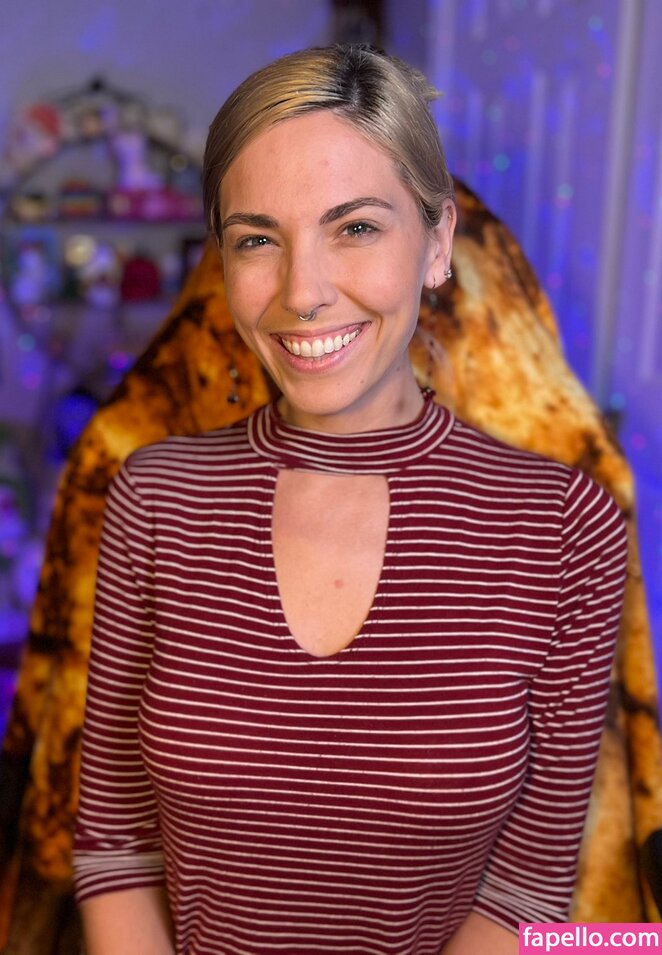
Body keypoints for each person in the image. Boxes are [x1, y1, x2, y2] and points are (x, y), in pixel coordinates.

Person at [73, 45, 628, 954]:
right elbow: (117, 846)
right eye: (257, 238)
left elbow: (526, 886)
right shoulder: (156, 498)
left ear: (437, 242)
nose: (302, 292)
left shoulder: (565, 528)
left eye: (356, 227)